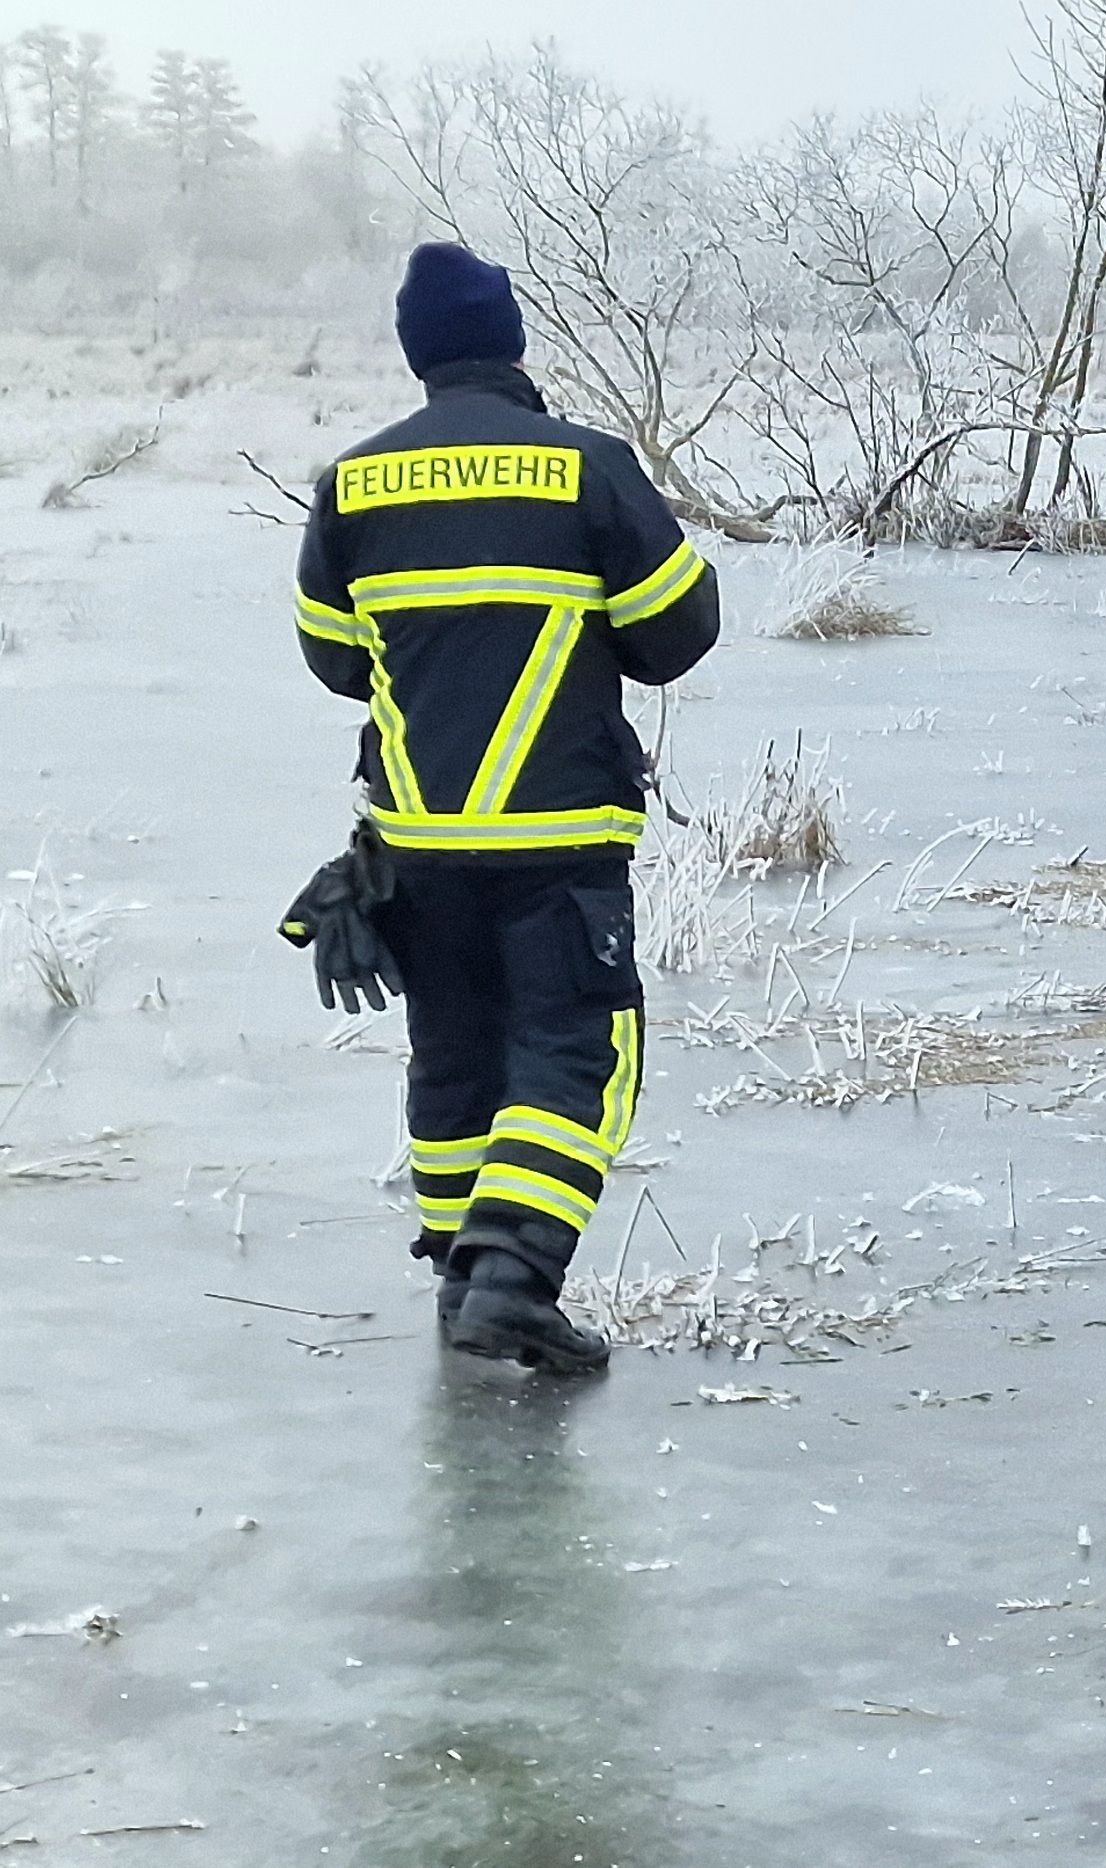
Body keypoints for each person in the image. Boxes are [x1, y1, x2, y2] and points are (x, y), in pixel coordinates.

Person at [286, 242, 720, 1373]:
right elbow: (678, 632)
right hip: (559, 833)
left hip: (417, 842)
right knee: (576, 1054)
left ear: (416, 353)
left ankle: (458, 1273)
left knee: (456, 1057)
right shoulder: (585, 467)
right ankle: (515, 1278)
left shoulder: (351, 481)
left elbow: (336, 660)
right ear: (512, 341)